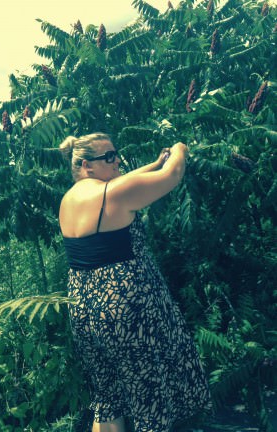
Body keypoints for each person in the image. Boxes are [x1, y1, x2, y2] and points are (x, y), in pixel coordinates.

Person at [59, 133, 212, 432]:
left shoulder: (68, 200)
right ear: (87, 165)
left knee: (108, 398)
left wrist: (153, 163)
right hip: (125, 314)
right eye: (109, 157)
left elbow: (125, 181)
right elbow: (173, 175)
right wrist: (180, 150)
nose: (117, 161)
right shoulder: (113, 194)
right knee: (148, 400)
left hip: (83, 310)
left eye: (116, 154)